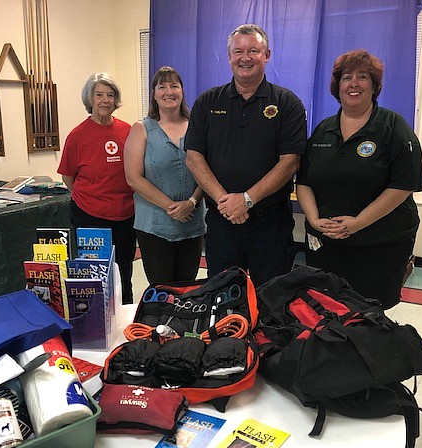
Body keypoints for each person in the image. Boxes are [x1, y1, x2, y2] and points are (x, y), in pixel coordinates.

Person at [296, 49, 422, 309]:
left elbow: (402, 186)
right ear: (337, 86)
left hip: (379, 243)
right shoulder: (324, 129)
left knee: (370, 314)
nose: (353, 83)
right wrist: (312, 219)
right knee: (326, 309)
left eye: (362, 77)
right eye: (346, 78)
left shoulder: (393, 127)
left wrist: (357, 223)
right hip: (327, 242)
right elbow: (305, 181)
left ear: (374, 86)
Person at [185, 24, 307, 287]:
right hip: (222, 222)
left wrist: (248, 200)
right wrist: (226, 202)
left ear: (267, 55)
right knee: (222, 297)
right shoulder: (207, 102)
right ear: (229, 57)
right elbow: (193, 157)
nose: (245, 57)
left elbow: (290, 163)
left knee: (272, 299)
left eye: (254, 50)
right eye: (238, 51)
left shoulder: (288, 104)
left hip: (270, 225)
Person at [57, 73, 136, 304]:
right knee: (93, 277)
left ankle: (128, 322)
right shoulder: (77, 135)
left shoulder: (128, 131)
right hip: (90, 216)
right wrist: (91, 197)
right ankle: (93, 324)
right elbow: (68, 177)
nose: (105, 100)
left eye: (110, 95)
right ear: (89, 99)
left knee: (124, 273)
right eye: (99, 95)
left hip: (125, 215)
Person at [124, 66, 205, 284]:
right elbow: (133, 178)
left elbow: (207, 171)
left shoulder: (197, 126)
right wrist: (172, 207)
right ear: (154, 94)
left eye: (174, 86)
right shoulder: (141, 129)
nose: (169, 91)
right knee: (161, 292)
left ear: (182, 91)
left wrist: (192, 202)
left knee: (188, 288)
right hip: (154, 226)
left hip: (192, 223)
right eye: (162, 86)